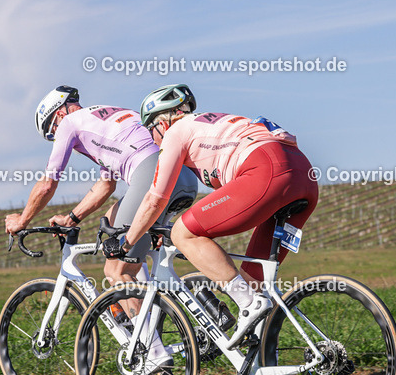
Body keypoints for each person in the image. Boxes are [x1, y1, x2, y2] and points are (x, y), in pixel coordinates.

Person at [109, 83, 319, 347]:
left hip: (267, 168)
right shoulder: (210, 128)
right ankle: (258, 372)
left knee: (184, 233)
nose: (153, 142)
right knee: (253, 283)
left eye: (151, 133)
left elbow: (155, 199)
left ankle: (247, 304)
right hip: (303, 176)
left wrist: (127, 241)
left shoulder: (177, 131)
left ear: (161, 123)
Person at [4, 85, 198, 303]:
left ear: (59, 114)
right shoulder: (106, 120)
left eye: (52, 132)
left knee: (115, 271)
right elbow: (106, 186)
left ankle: (147, 336)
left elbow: (47, 184)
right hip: (185, 176)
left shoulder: (69, 123)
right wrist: (71, 218)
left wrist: (22, 220)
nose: (55, 138)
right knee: (113, 220)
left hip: (152, 173)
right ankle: (203, 310)